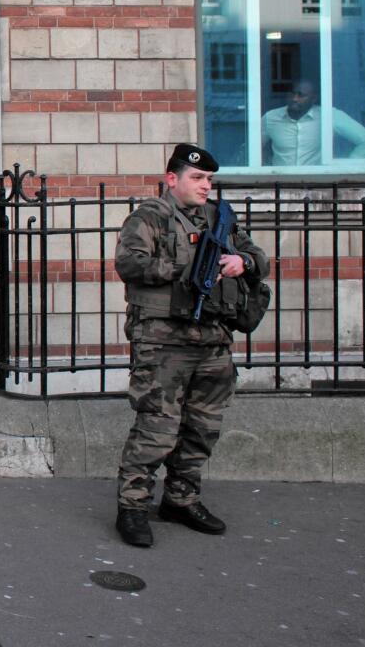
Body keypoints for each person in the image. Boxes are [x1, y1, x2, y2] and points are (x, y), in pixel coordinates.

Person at [112, 144, 270, 548]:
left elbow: (258, 257)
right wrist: (187, 269)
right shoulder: (149, 217)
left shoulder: (221, 219)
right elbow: (129, 264)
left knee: (202, 427)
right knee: (157, 427)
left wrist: (241, 263)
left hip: (213, 338)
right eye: (197, 178)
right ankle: (132, 506)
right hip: (163, 341)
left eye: (209, 180)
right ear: (172, 179)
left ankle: (181, 499)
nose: (205, 186)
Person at [262, 79, 365, 166]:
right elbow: (253, 148)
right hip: (279, 185)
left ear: (313, 98)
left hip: (317, 185)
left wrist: (348, 168)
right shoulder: (271, 117)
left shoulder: (328, 115)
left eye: (301, 95)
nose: (295, 99)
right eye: (292, 93)